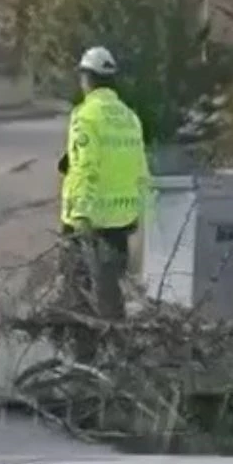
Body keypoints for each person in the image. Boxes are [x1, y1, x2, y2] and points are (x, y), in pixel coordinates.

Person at [59, 46, 150, 333]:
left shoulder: (86, 115)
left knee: (80, 296)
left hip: (91, 222)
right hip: (122, 220)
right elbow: (139, 167)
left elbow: (86, 167)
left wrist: (81, 215)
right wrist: (140, 214)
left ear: (87, 79)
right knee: (111, 294)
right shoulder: (129, 117)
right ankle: (117, 346)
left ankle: (87, 352)